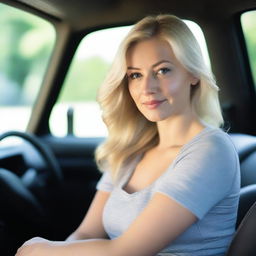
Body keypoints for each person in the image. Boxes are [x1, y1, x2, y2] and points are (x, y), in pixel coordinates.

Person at [16, 14, 240, 256]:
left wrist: (40, 250)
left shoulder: (211, 150)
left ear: (193, 74)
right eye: (135, 75)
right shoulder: (131, 151)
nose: (147, 88)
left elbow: (126, 250)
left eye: (163, 70)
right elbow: (86, 234)